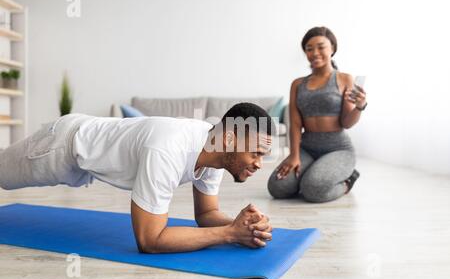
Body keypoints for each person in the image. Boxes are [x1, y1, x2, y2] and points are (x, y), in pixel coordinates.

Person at [0, 103, 275, 253]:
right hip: (63, 144)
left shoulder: (214, 153)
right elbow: (150, 240)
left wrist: (242, 227)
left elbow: (207, 213)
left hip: (88, 154)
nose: (259, 164)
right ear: (229, 139)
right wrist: (229, 234)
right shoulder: (169, 149)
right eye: (256, 153)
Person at [267, 26, 367, 202]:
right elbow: (295, 124)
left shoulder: (344, 79)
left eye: (321, 47)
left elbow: (347, 122)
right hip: (308, 147)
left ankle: (347, 181)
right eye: (309, 48)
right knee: (277, 187)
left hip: (338, 148)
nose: (315, 52)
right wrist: (294, 155)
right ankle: (313, 173)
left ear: (332, 49)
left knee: (313, 190)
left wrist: (360, 106)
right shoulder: (297, 84)